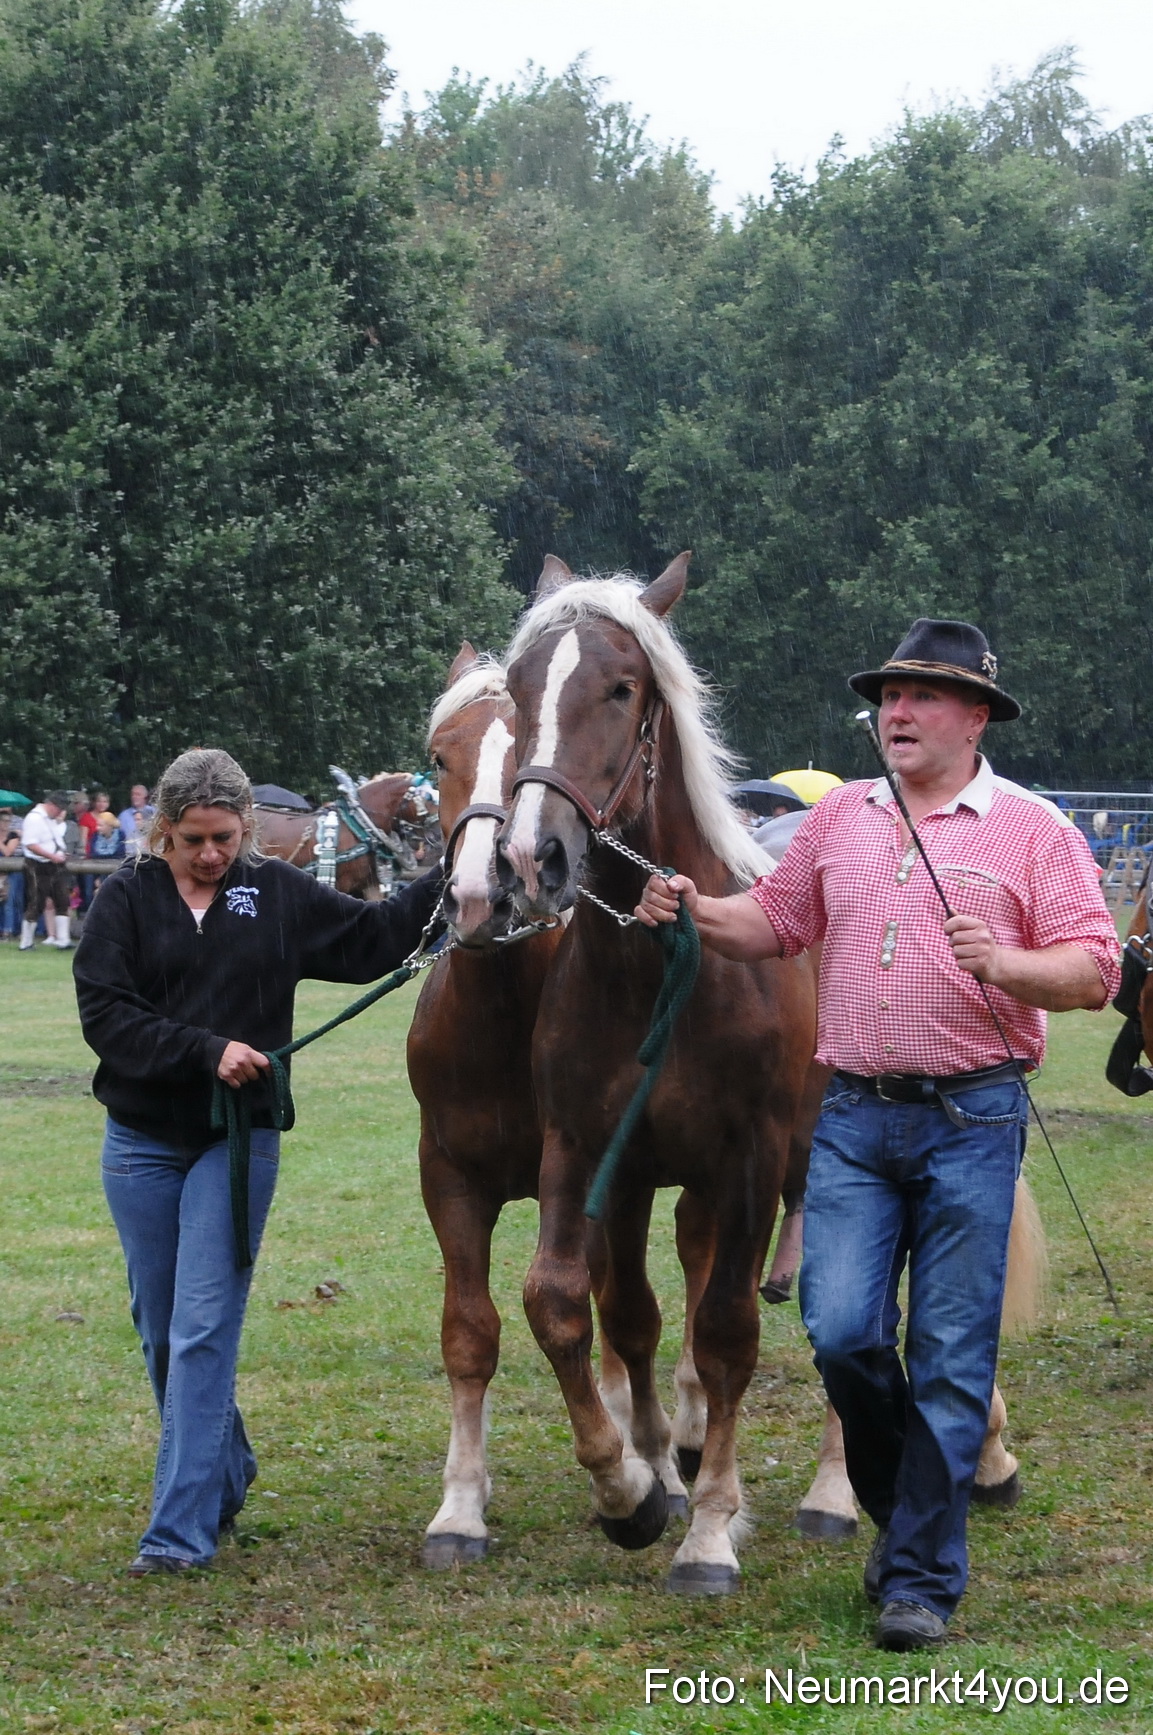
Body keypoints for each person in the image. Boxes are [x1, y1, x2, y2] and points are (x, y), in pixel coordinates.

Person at [637, 619, 1120, 1651]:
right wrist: (689, 911)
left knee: (948, 1357)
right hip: (852, 1115)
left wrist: (1008, 965)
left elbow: (1093, 969)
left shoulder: (1034, 830)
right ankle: (914, 1501)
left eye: (922, 697)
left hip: (976, 1117)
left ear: (975, 717)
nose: (894, 712)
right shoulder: (844, 817)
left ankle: (918, 1577)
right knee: (845, 1332)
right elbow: (774, 920)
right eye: (889, 696)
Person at [73, 748, 444, 1576]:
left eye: (226, 838)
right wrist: (206, 1050)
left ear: (247, 831)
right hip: (138, 1143)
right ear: (162, 829)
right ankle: (224, 1466)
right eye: (194, 839)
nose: (210, 855)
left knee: (204, 1327)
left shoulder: (272, 893)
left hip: (235, 1144)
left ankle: (177, 1534)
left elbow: (371, 938)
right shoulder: (124, 900)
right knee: (162, 1332)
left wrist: (457, 864)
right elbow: (106, 1014)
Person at [20, 790, 73, 950]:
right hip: (37, 865)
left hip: (55, 865)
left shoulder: (50, 819)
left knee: (63, 899)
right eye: (59, 808)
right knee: (36, 902)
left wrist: (61, 854)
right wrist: (52, 855)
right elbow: (30, 844)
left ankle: (63, 940)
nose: (60, 813)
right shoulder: (34, 818)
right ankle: (26, 942)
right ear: (51, 805)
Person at [0, 808, 22, 938]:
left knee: (9, 901)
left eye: (7, 821)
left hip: (11, 872)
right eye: (2, 821)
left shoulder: (13, 835)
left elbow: (8, 852)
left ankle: (8, 930)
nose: (5, 824)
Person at [118, 782, 155, 847]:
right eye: (133, 794)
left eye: (138, 794)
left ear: (145, 796)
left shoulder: (155, 813)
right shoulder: (123, 816)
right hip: (129, 854)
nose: (134, 797)